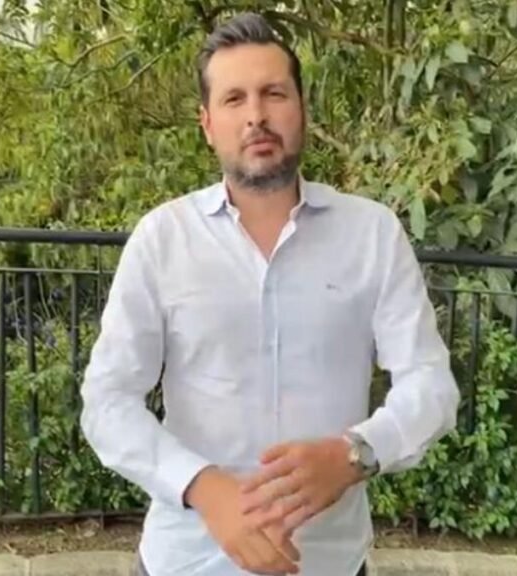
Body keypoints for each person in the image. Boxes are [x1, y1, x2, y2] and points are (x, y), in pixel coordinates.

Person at [80, 11, 460, 576]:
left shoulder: (372, 234)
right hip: (185, 561)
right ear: (208, 123)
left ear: (302, 108)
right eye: (234, 99)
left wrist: (354, 454)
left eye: (274, 93)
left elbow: (431, 384)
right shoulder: (162, 239)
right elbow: (107, 401)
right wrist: (204, 487)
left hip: (329, 563)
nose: (256, 115)